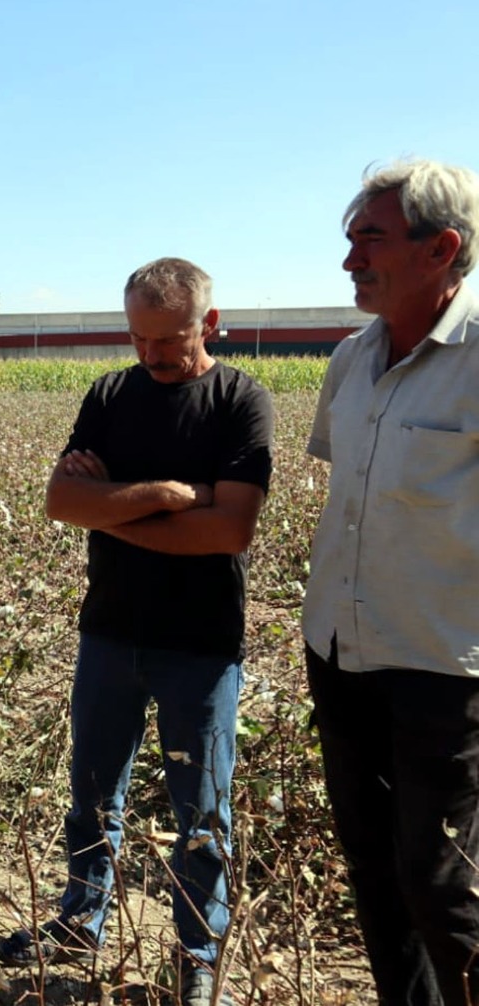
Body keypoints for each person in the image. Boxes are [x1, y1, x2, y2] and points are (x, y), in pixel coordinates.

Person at [0, 257, 273, 1006]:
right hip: (109, 634)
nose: (152, 354)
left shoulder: (240, 400)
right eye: (139, 337)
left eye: (170, 339)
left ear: (208, 324)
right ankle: (81, 919)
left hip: (202, 648)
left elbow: (230, 531)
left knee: (202, 817)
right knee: (91, 795)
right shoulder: (112, 393)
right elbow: (61, 501)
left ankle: (197, 953)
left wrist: (110, 509)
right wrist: (164, 496)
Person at [303, 159, 479, 1006]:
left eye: (369, 240)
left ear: (441, 249)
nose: (349, 262)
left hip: (445, 665)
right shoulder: (349, 360)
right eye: (350, 241)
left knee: (445, 887)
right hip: (340, 652)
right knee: (374, 871)